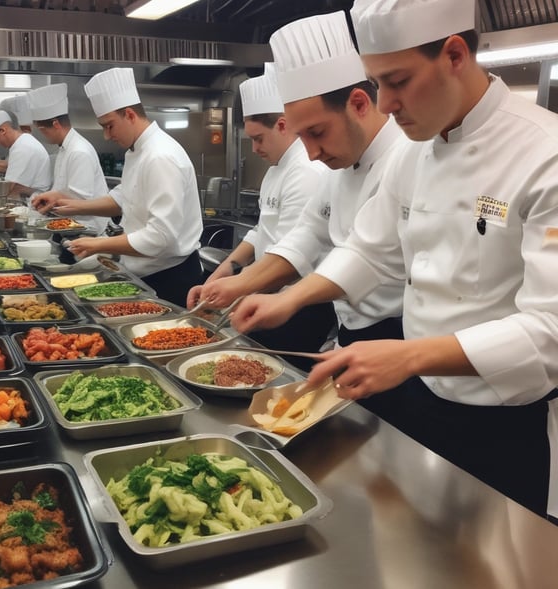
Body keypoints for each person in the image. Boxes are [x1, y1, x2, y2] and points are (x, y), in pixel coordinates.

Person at [232, 0, 558, 519]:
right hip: (418, 398)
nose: (383, 105)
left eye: (397, 81)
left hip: (497, 423)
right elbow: (370, 250)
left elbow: (549, 331)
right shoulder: (416, 150)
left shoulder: (545, 153)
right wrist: (287, 300)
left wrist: (408, 354)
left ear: (453, 54)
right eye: (377, 83)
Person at [187, 63, 334, 369]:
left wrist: (236, 290)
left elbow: (291, 257)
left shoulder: (306, 171)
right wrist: (222, 274)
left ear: (282, 125)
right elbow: (259, 233)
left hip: (296, 304)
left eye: (258, 138)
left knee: (270, 375)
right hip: (266, 290)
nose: (253, 149)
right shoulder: (276, 169)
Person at [34, 67, 203, 307]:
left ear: (130, 115)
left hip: (170, 277)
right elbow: (122, 199)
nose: (106, 135)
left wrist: (98, 245)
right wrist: (68, 205)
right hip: (144, 271)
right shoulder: (138, 151)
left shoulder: (160, 156)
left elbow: (161, 236)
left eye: (109, 125)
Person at [28, 83, 109, 235]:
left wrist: (50, 201)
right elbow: (63, 190)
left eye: (43, 131)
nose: (43, 136)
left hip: (88, 231)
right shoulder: (65, 148)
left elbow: (80, 199)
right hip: (71, 227)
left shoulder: (79, 151)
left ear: (56, 124)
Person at [0, 110, 52, 201]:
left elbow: (10, 189)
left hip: (32, 207)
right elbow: (14, 166)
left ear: (2, 130)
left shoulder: (23, 148)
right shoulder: (23, 142)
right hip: (30, 201)